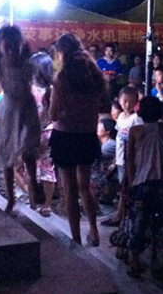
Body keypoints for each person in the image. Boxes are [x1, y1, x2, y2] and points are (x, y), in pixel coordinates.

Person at [49, 32, 109, 246]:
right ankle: (94, 231)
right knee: (85, 186)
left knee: (70, 189)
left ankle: (75, 238)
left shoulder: (62, 79)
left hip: (65, 136)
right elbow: (104, 106)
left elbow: (52, 115)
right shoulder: (95, 77)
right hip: (87, 136)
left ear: (61, 53)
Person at [0, 26, 40, 215]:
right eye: (7, 47)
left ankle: (34, 183)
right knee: (7, 156)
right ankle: (11, 199)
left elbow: (38, 81)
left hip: (27, 108)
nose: (10, 51)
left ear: (21, 45)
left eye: (14, 47)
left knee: (28, 150)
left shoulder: (27, 64)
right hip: (8, 110)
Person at [125, 96, 163, 279]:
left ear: (140, 113)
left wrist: (131, 182)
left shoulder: (135, 131)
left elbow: (129, 160)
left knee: (138, 223)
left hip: (143, 182)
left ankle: (134, 261)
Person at [101, 86, 142, 227]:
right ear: (119, 100)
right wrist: (115, 159)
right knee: (122, 187)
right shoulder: (121, 117)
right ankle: (122, 215)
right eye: (124, 101)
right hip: (119, 159)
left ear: (136, 102)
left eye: (131, 101)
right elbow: (119, 138)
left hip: (129, 160)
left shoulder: (136, 119)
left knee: (126, 188)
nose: (127, 104)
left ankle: (120, 216)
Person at [30, 51, 57, 217]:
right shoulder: (52, 89)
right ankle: (47, 205)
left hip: (31, 133)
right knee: (48, 169)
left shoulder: (29, 89)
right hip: (49, 132)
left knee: (30, 168)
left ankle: (33, 203)